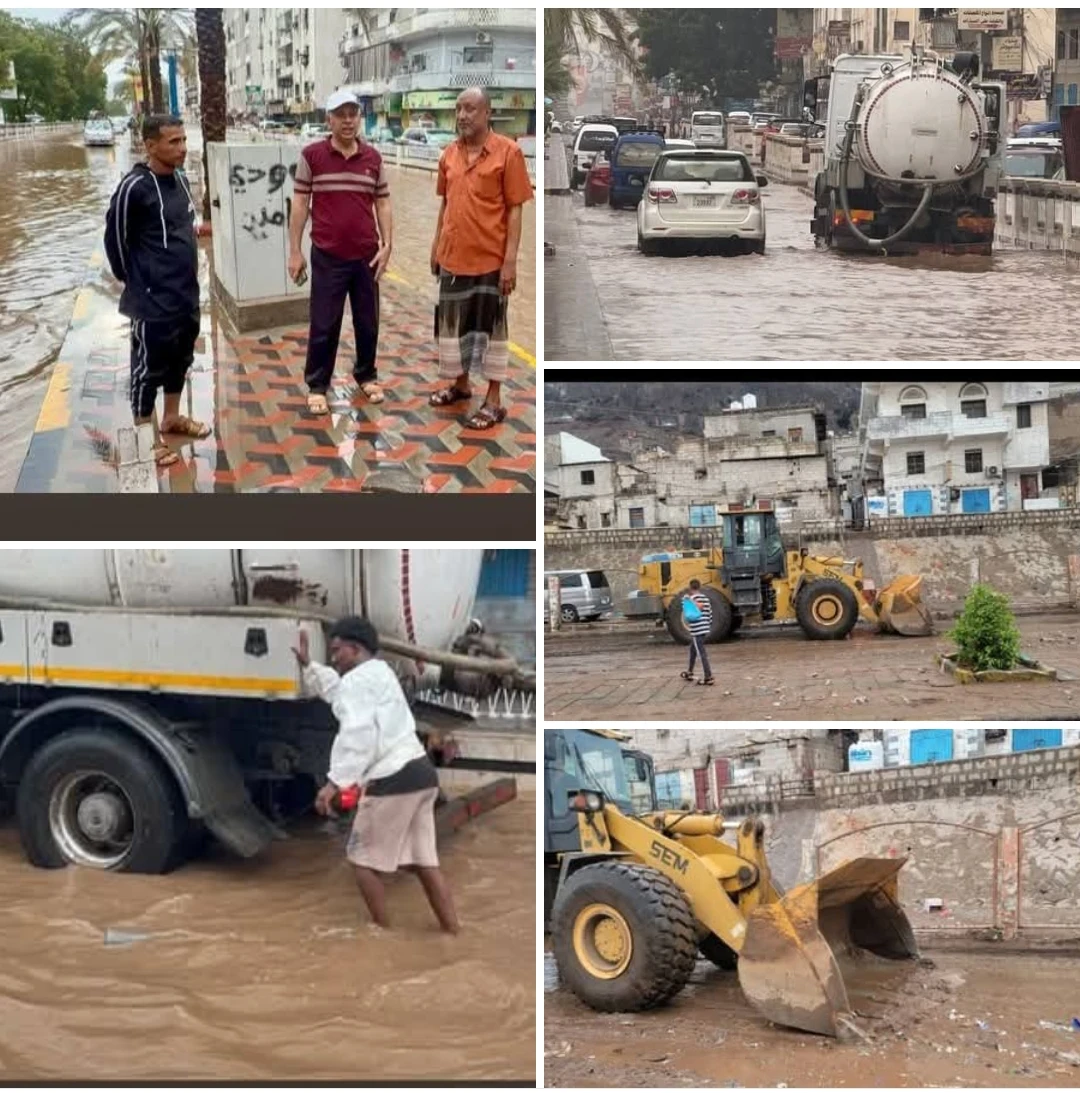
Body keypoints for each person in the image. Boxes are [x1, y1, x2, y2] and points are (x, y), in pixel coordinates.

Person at [293, 616, 460, 934]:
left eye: (337, 651)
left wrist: (333, 784)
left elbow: (357, 736)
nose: (333, 657)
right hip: (421, 773)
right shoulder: (380, 672)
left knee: (361, 861)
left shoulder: (357, 683)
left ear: (355, 649)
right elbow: (338, 692)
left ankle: (382, 936)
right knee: (425, 863)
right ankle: (453, 933)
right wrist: (309, 666)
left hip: (393, 778)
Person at [104, 114, 208, 469]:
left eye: (184, 140)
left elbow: (186, 230)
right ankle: (145, 439)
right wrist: (136, 282)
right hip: (151, 301)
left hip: (186, 296)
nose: (183, 148)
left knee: (181, 360)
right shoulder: (134, 187)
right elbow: (115, 241)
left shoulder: (180, 179)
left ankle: (172, 418)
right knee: (147, 370)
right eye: (173, 142)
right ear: (150, 146)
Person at [428, 87, 533, 431]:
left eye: (471, 109)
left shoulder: (508, 153)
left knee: (491, 332)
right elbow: (445, 203)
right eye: (459, 109)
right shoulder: (448, 154)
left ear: (488, 113)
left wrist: (510, 261)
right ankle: (460, 385)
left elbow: (515, 209)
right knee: (453, 329)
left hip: (491, 260)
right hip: (452, 258)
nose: (462, 115)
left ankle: (494, 400)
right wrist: (435, 246)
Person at [289, 89, 393, 415]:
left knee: (368, 321)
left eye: (353, 114)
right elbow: (300, 204)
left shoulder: (373, 159)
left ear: (359, 118)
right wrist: (294, 251)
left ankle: (366, 374)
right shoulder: (312, 156)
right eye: (340, 115)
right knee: (324, 322)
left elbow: (383, 203)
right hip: (327, 254)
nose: (348, 121)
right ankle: (318, 384)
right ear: (329, 120)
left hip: (366, 255)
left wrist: (388, 244)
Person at [681, 579, 715, 686]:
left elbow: (687, 614)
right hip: (705, 628)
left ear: (690, 587)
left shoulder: (689, 599)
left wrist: (686, 600)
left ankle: (708, 676)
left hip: (696, 630)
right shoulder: (706, 599)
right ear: (700, 587)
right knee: (693, 650)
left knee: (701, 653)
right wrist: (707, 624)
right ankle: (690, 671)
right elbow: (710, 614)